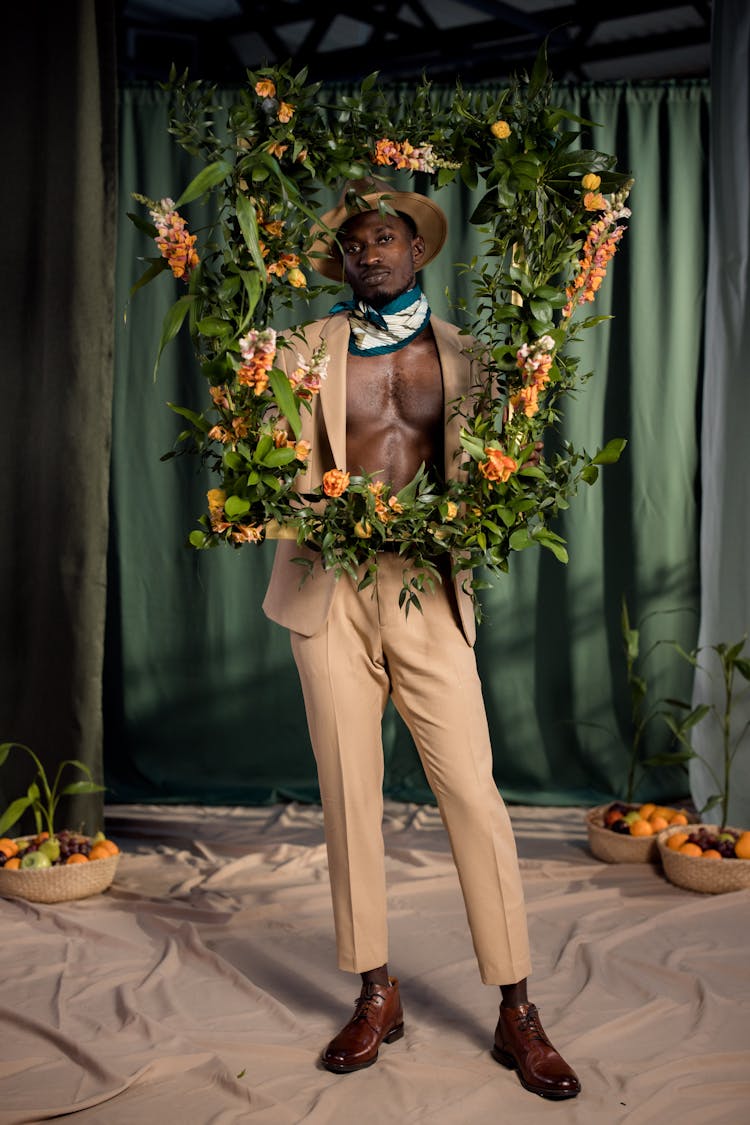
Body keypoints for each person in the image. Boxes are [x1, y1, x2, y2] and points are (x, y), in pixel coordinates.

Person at [262, 178, 581, 1100]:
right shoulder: (295, 349)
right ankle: (376, 989)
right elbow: (265, 454)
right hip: (327, 587)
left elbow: (505, 466)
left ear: (418, 249)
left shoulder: (476, 358)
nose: (370, 253)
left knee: (474, 794)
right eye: (355, 243)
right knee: (349, 795)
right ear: (345, 259)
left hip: (429, 590)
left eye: (386, 238)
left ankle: (517, 1007)